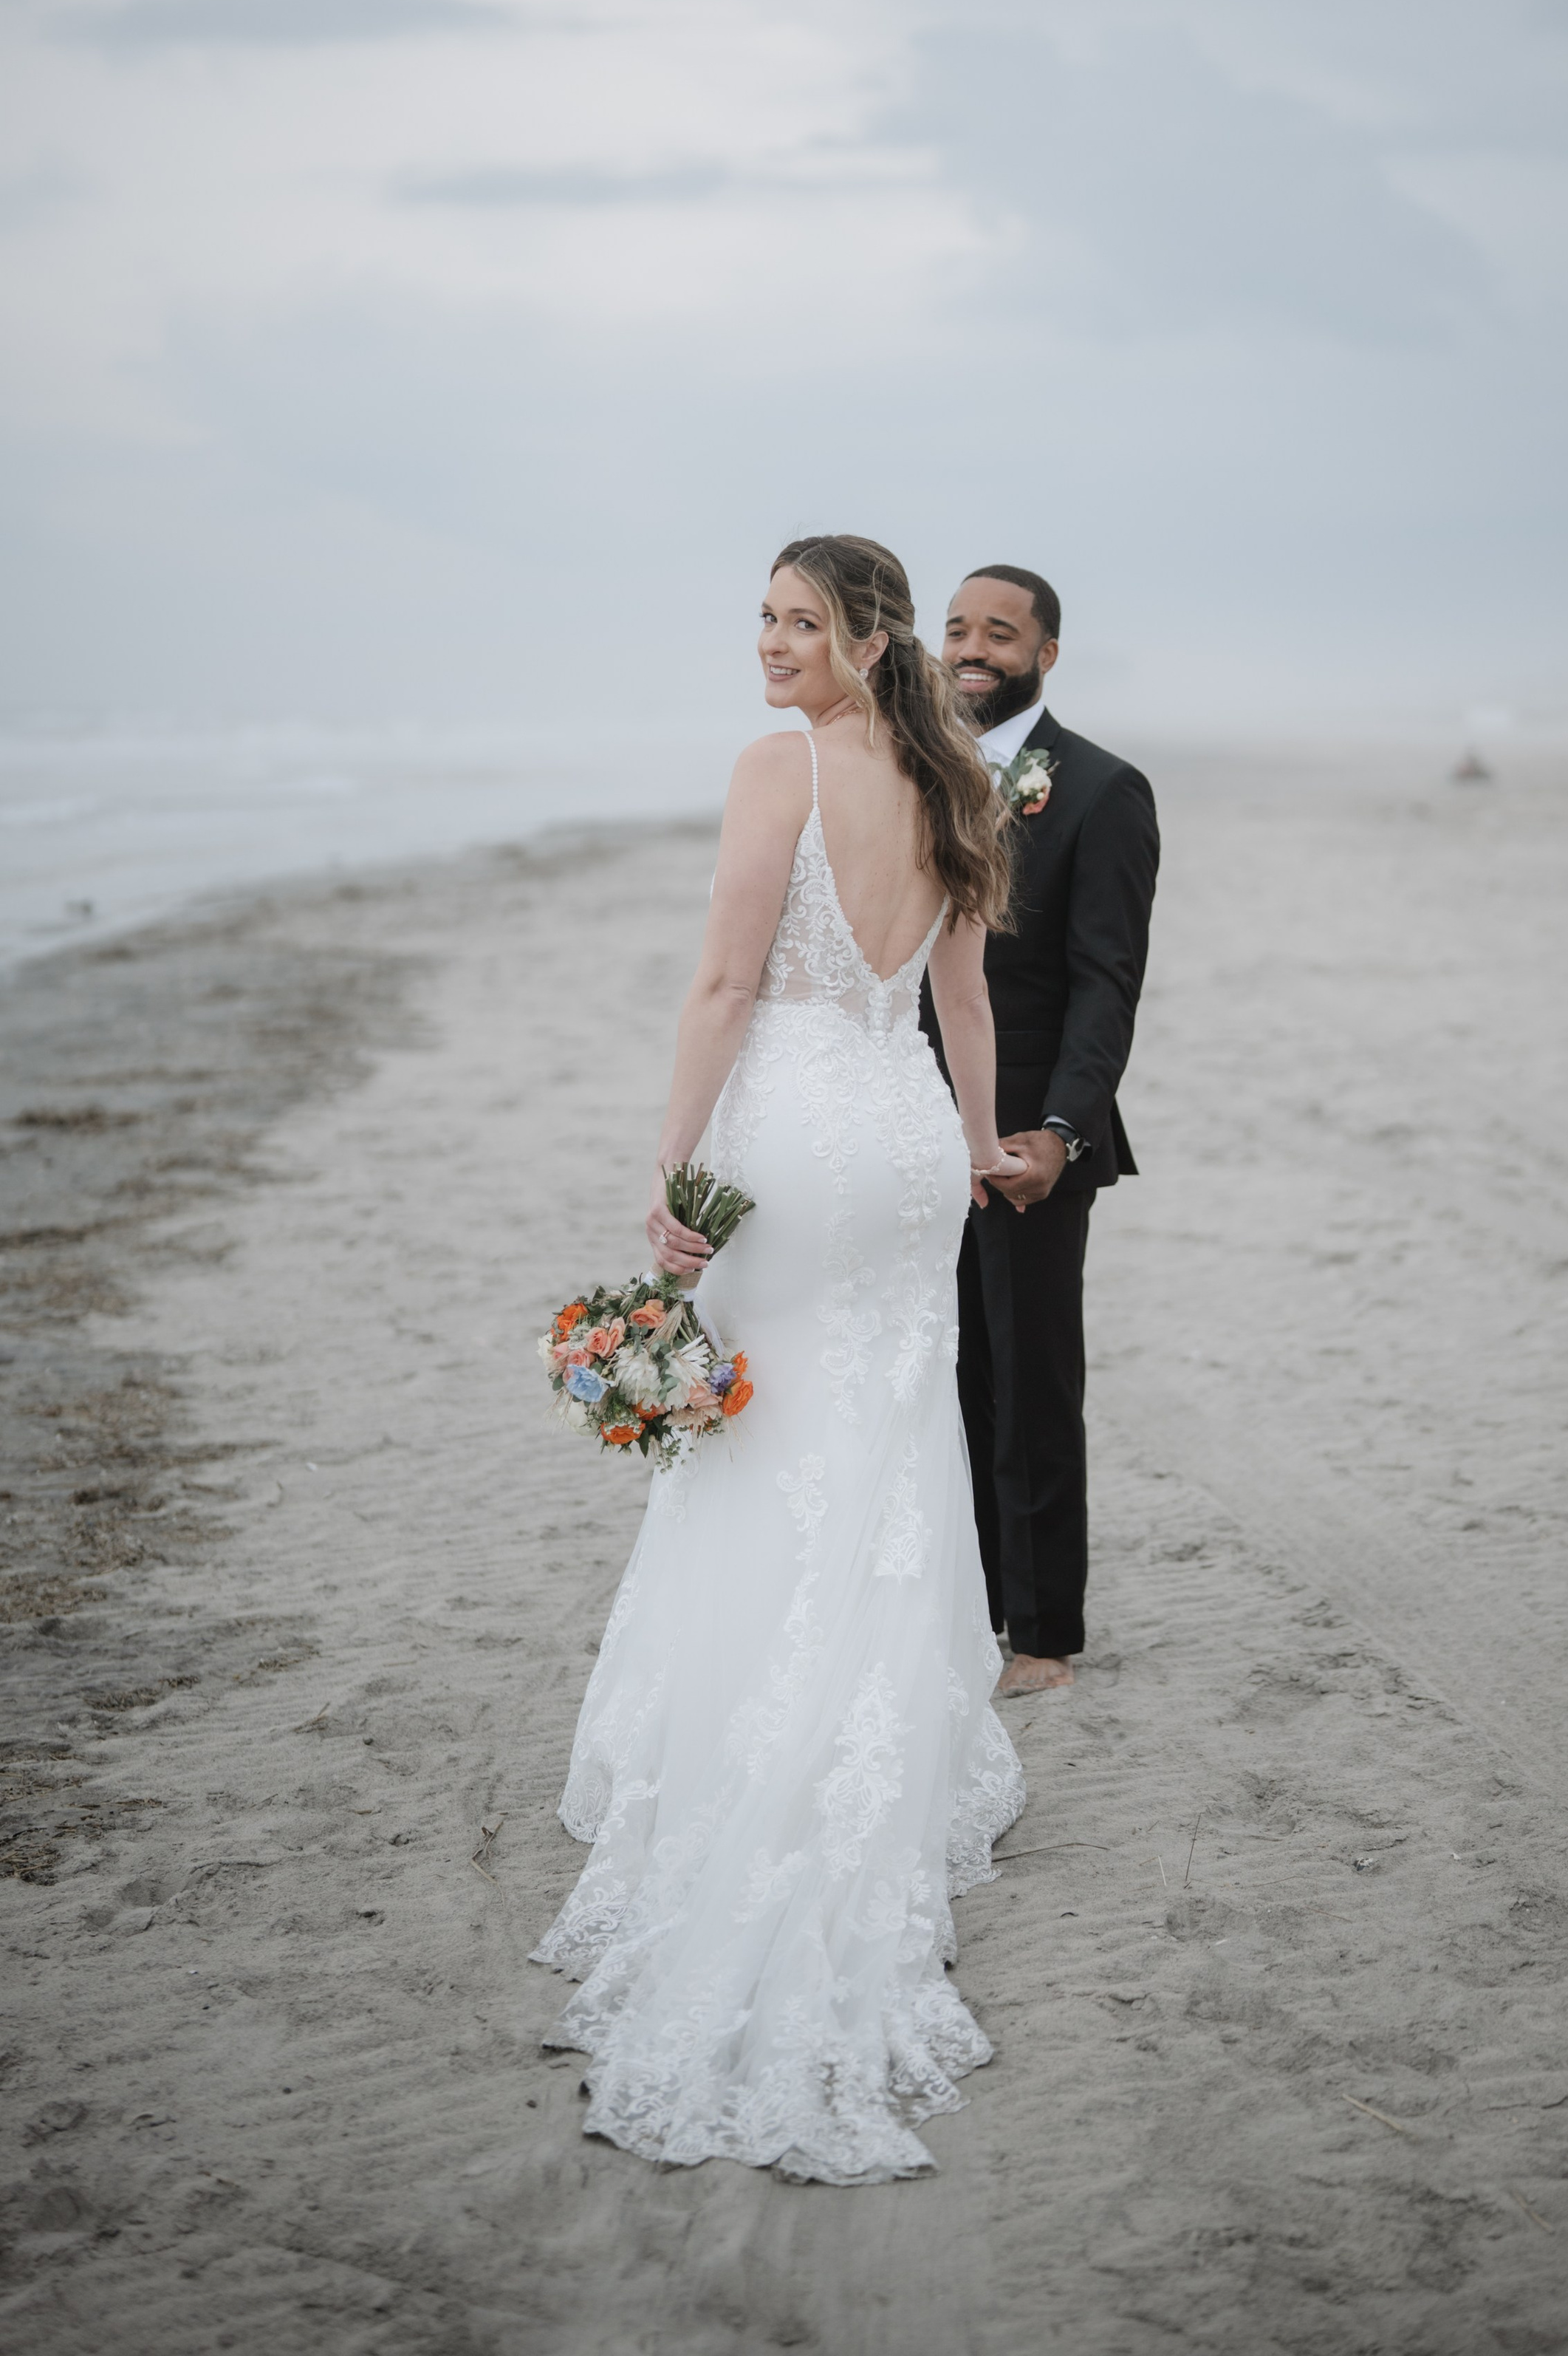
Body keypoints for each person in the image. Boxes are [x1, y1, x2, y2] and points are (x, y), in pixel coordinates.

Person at [531, 536, 1026, 2185]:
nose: (766, 646)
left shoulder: (782, 771)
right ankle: (895, 1724)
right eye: (758, 619)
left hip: (801, 1139)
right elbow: (962, 999)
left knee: (764, 1433)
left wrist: (673, 1176)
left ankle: (763, 1735)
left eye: (797, 622)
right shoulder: (952, 784)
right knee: (883, 1432)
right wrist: (967, 1155)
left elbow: (730, 980)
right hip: (898, 1148)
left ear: (869, 636)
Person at [925, 565, 1160, 1696]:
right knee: (934, 1377)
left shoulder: (1102, 791)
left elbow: (1105, 984)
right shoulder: (905, 774)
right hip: (901, 1127)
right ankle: (956, 1607)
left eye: (1000, 634)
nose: (973, 649)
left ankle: (1044, 1634)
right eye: (958, 629)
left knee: (1027, 1375)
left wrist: (1061, 1130)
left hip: (1028, 1137)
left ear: (1046, 653)